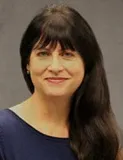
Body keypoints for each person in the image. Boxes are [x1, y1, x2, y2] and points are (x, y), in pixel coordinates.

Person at [0, 4, 122, 160]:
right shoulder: (4, 133)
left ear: (86, 63)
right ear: (27, 64)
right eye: (43, 54)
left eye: (67, 54)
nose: (55, 67)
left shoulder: (105, 138)